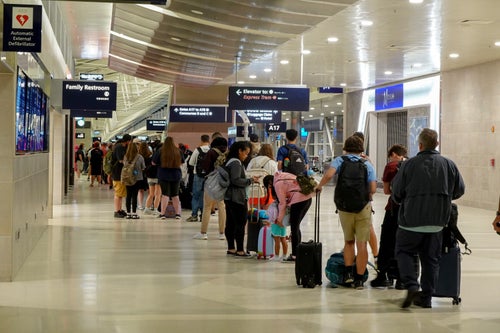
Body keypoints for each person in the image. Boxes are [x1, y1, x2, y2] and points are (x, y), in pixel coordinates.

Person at [392, 128, 465, 308]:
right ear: (437, 144)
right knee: (431, 260)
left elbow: (397, 192)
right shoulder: (449, 165)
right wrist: (444, 198)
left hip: (410, 222)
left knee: (403, 252)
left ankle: (411, 285)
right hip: (437, 223)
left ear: (420, 145)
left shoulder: (409, 165)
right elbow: (459, 190)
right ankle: (426, 298)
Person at [316, 135, 377, 289]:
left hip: (344, 207)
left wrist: (320, 186)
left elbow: (329, 175)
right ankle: (358, 280)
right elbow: (373, 189)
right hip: (363, 207)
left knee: (348, 241)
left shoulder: (340, 160)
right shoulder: (367, 164)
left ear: (345, 148)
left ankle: (348, 274)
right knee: (361, 243)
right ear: (361, 149)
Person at [370, 144, 407, 288]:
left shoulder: (391, 166)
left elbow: (386, 191)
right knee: (404, 244)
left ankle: (384, 276)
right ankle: (402, 279)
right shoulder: (411, 164)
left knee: (387, 242)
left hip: (393, 209)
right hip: (409, 210)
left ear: (393, 154)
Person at [224, 141, 259, 256]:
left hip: (229, 196)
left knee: (230, 223)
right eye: (246, 153)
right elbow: (236, 180)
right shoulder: (236, 163)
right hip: (237, 198)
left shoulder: (229, 161)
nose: (247, 156)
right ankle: (239, 250)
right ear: (240, 151)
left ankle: (231, 248)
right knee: (240, 223)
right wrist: (250, 180)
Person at [273, 170, 314, 262]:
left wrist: (279, 219)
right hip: (308, 199)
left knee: (294, 228)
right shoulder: (285, 175)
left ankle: (295, 255)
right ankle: (297, 253)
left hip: (298, 201)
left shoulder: (277, 184)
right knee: (296, 227)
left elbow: (282, 204)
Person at [192, 136, 228, 240]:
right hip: (222, 182)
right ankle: (222, 233)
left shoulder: (211, 152)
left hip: (211, 181)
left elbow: (205, 167)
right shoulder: (226, 153)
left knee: (207, 207)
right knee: (222, 206)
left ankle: (203, 233)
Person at [352, 131, 379, 265]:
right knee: (368, 228)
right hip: (364, 201)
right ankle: (375, 256)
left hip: (348, 202)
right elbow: (372, 184)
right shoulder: (366, 160)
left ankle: (356, 260)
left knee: (353, 232)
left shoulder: (346, 159)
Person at [152, 136, 185, 220]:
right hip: (176, 175)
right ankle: (178, 214)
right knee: (175, 195)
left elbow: (153, 163)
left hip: (163, 174)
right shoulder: (178, 151)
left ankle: (163, 214)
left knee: (165, 195)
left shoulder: (160, 151)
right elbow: (182, 162)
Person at [263, 175, 288, 261]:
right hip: (283, 221)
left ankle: (276, 256)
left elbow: (272, 214)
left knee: (276, 239)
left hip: (276, 222)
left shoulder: (274, 204)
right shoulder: (281, 201)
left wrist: (269, 221)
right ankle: (284, 255)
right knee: (283, 238)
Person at [186, 134, 211, 222]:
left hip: (198, 175)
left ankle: (194, 215)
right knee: (205, 196)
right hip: (209, 177)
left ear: (201, 140)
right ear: (209, 141)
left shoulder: (197, 150)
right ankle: (203, 215)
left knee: (196, 196)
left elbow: (191, 163)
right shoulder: (211, 150)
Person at [123, 139, 146, 219]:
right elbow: (143, 167)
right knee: (134, 195)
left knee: (128, 195)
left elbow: (125, 166)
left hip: (127, 178)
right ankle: (134, 213)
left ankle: (128, 213)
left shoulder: (126, 156)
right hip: (137, 178)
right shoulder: (140, 157)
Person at [112, 134, 132, 218]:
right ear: (127, 141)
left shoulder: (122, 147)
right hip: (117, 173)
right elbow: (121, 160)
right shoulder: (119, 147)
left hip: (120, 173)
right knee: (118, 193)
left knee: (121, 193)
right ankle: (116, 211)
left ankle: (119, 209)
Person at [137, 141, 151, 210]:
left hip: (140, 174)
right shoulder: (150, 154)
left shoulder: (138, 155)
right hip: (148, 174)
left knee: (140, 190)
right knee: (150, 190)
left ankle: (140, 205)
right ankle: (149, 204)